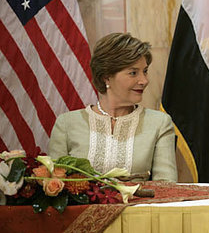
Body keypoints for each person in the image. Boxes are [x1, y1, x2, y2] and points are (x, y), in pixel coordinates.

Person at [49, 33, 177, 181]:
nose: (144, 80)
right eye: (133, 73)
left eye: (145, 71)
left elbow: (167, 187)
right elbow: (54, 186)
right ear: (106, 77)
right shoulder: (66, 124)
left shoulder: (160, 123)